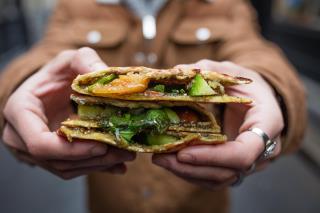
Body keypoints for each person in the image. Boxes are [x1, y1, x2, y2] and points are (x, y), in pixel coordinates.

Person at [0, 0, 306, 212]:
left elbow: (254, 50)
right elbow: (45, 53)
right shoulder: (76, 4)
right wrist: (23, 83)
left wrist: (271, 89)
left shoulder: (224, 4)